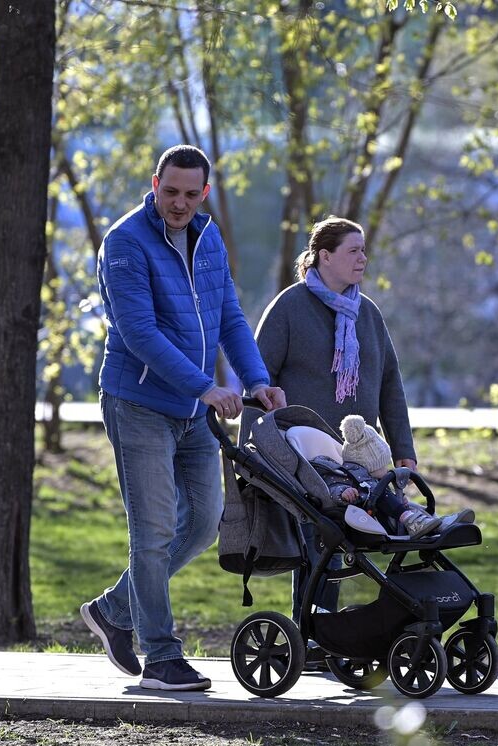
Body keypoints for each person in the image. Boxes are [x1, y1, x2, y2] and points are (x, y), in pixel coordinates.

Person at [81, 145, 286, 692]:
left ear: (205, 194)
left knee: (202, 522)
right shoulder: (125, 244)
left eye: (189, 194)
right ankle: (161, 658)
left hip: (194, 409)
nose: (178, 203)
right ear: (155, 183)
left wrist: (257, 379)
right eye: (169, 191)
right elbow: (140, 333)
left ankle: (113, 610)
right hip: (139, 405)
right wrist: (207, 387)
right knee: (151, 532)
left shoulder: (207, 236)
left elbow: (228, 316)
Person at [254, 216, 416, 669]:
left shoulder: (368, 314)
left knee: (370, 537)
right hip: (306, 452)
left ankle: (349, 633)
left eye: (364, 250)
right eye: (353, 251)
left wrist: (403, 447)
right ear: (324, 256)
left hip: (361, 453)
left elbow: (390, 385)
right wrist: (260, 441)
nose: (363, 258)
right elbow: (257, 375)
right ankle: (312, 637)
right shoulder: (290, 307)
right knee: (319, 542)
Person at [311, 415, 442, 538]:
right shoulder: (347, 475)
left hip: (386, 515)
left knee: (402, 502)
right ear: (367, 465)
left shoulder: (374, 479)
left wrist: (399, 499)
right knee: (380, 495)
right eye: (381, 466)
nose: (386, 470)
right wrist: (343, 492)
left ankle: (434, 521)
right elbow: (331, 487)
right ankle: (414, 521)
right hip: (367, 517)